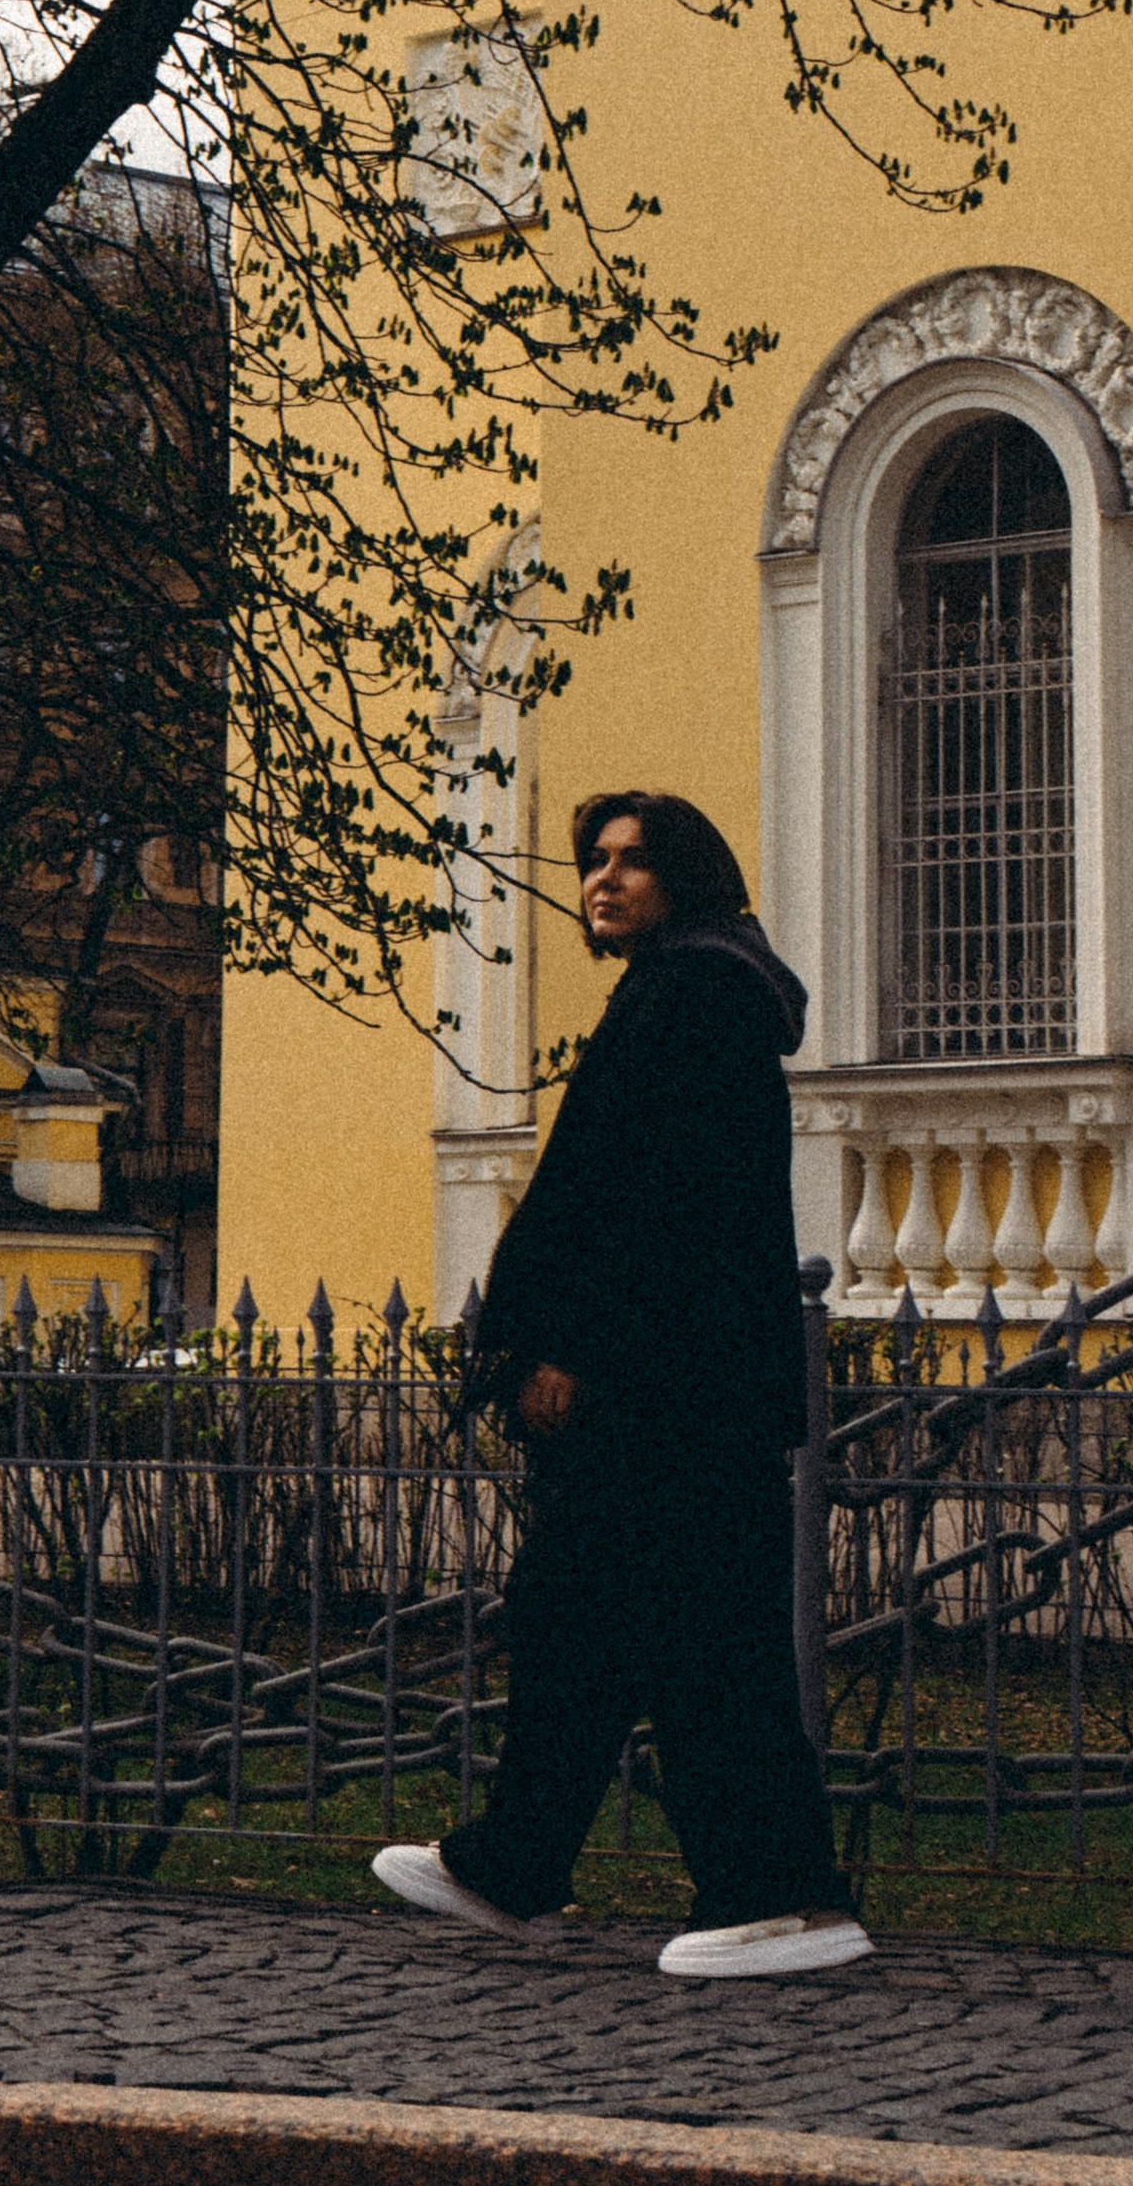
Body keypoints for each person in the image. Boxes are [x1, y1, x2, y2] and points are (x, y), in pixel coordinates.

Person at [372, 789, 870, 1981]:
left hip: (663, 1393)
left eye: (634, 862)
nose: (603, 881)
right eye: (595, 861)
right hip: (667, 1386)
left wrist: (571, 1349)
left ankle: (783, 1901)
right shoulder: (682, 984)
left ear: (687, 877)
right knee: (579, 1627)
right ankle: (513, 1866)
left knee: (705, 1643)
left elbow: (659, 1200)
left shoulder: (695, 993)